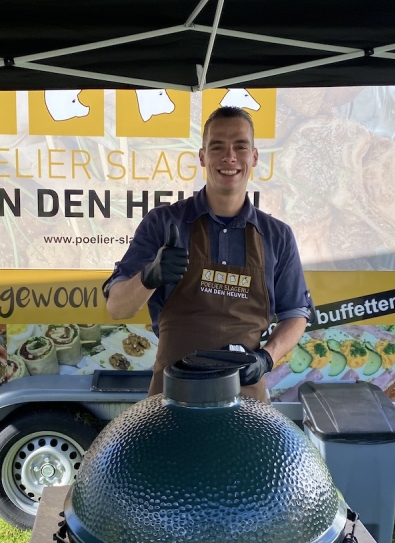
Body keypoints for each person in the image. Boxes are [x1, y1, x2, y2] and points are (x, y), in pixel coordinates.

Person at [104, 106, 313, 403]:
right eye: (217, 147)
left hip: (246, 402)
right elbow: (117, 308)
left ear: (254, 157)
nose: (229, 156)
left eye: (240, 146)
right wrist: (149, 277)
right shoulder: (163, 223)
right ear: (202, 157)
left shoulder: (277, 235)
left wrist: (267, 357)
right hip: (172, 401)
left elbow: (295, 313)